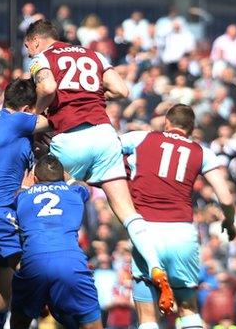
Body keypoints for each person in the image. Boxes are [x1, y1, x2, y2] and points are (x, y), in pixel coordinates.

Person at [24, 19, 175, 315]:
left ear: (37, 41)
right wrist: (90, 95)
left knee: (36, 196)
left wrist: (36, 112)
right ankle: (157, 266)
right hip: (105, 135)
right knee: (128, 213)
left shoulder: (43, 58)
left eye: (29, 48)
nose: (30, 53)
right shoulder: (94, 55)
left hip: (69, 137)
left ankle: (39, 276)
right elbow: (121, 90)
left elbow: (48, 85)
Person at [119, 104, 236, 329]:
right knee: (189, 310)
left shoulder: (142, 138)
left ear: (166, 122)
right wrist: (229, 222)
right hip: (181, 232)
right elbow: (227, 199)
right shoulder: (202, 151)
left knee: (147, 317)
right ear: (191, 129)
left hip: (145, 231)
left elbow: (109, 148)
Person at [0, 78, 50, 329]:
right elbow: (54, 120)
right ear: (27, 109)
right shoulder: (17, 120)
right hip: (0, 216)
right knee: (43, 276)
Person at [11, 155, 102, 329]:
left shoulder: (23, 197)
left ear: (35, 179)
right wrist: (67, 178)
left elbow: (17, 197)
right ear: (62, 177)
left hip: (34, 262)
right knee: (92, 324)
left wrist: (25, 186)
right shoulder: (75, 192)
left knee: (18, 322)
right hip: (71, 260)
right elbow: (84, 187)